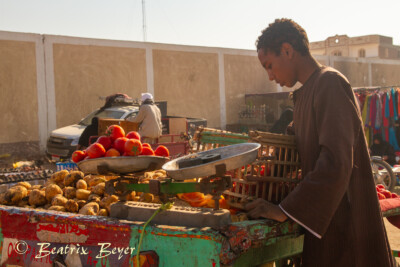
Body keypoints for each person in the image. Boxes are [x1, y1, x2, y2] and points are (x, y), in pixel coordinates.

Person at [245, 18, 395, 266]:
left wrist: (283, 210)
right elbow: (293, 151)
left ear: (287, 50)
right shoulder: (304, 95)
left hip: (348, 225)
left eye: (270, 65)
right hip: (328, 224)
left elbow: (335, 161)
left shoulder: (330, 83)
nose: (271, 76)